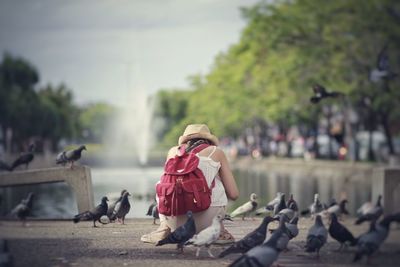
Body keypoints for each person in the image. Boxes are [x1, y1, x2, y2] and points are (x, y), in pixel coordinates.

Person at [141, 124, 239, 244]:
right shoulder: (216, 152)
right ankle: (219, 231)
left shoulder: (173, 152)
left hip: (174, 222)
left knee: (163, 183)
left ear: (185, 140)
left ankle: (163, 228)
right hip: (207, 222)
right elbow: (234, 194)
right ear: (209, 140)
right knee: (216, 181)